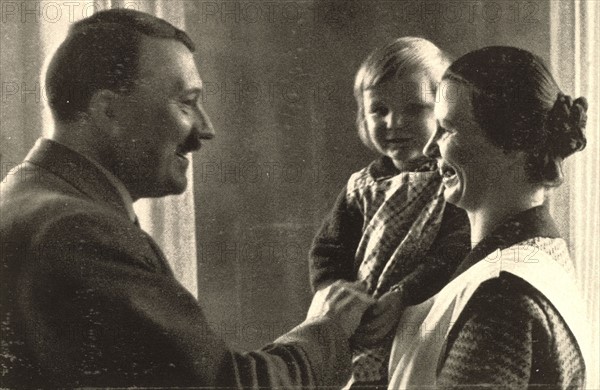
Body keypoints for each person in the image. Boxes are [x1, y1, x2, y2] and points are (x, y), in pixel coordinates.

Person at [0, 9, 374, 388]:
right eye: (185, 102)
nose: (205, 129)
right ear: (108, 111)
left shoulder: (20, 197)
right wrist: (328, 329)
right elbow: (227, 385)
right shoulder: (84, 232)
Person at [388, 46, 590, 388]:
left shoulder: (500, 296)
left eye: (448, 129)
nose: (429, 147)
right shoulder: (540, 254)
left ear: (511, 145)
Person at [308, 37, 471, 388]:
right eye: (378, 110)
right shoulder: (361, 187)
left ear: (443, 115)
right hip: (362, 316)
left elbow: (455, 248)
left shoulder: (450, 181)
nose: (394, 122)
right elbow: (328, 250)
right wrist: (337, 292)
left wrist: (405, 294)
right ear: (362, 116)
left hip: (420, 312)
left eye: (414, 109)